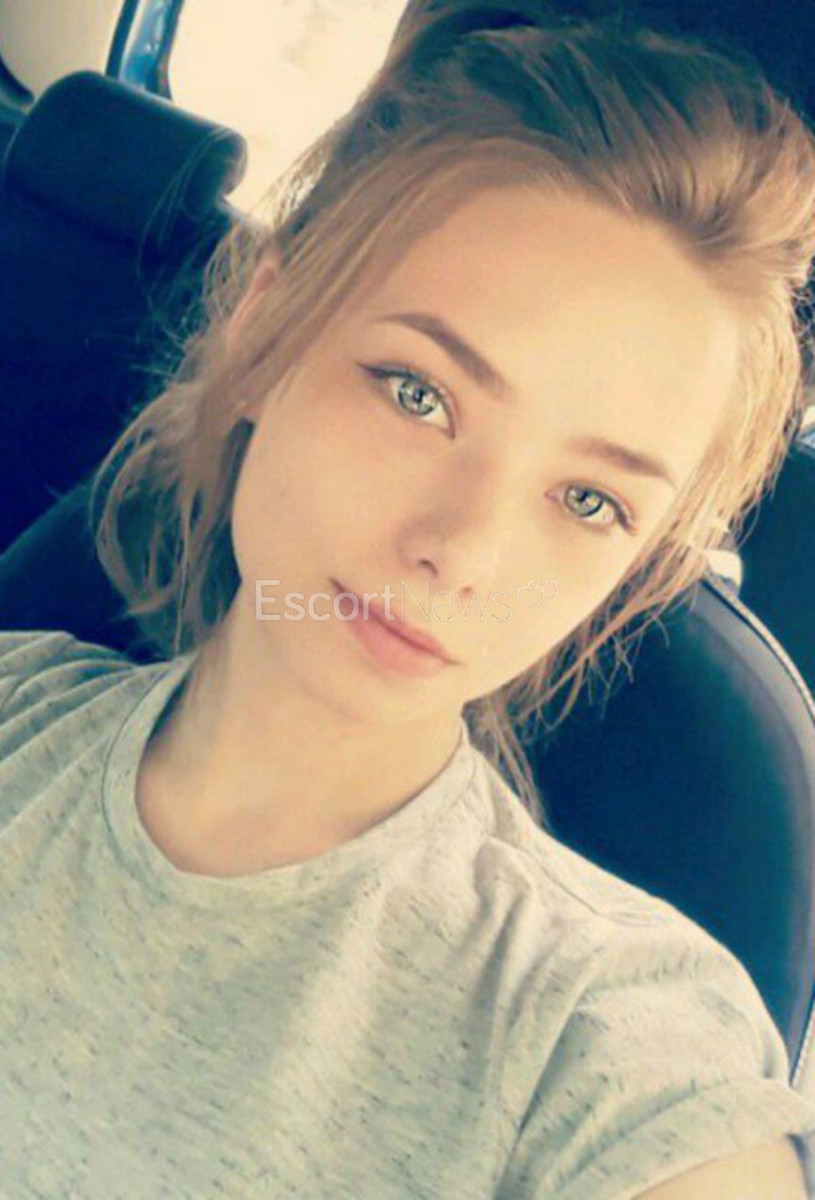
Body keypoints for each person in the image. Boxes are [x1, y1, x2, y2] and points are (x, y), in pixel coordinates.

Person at [3, 2, 815, 1197]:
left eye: (588, 501)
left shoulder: (606, 1037)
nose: (461, 551)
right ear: (265, 325)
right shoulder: (17, 704)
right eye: (417, 394)